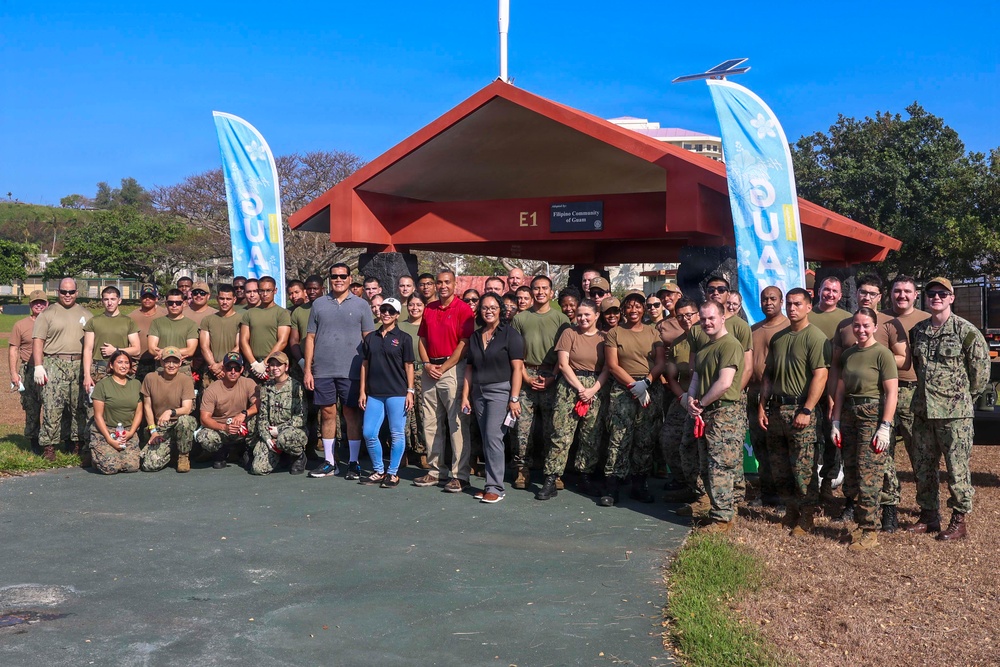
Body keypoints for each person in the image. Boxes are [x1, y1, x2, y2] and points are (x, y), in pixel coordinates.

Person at [906, 277, 990, 541]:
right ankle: (929, 515)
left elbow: (980, 373)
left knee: (957, 468)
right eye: (932, 293)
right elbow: (918, 368)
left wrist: (962, 399)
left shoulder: (966, 331)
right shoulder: (918, 331)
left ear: (952, 298)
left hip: (955, 415)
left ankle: (959, 520)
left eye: (942, 294)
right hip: (923, 411)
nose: (936, 297)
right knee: (923, 466)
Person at [827, 274, 903, 521]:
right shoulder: (847, 344)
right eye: (863, 292)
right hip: (850, 411)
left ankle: (886, 510)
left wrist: (885, 425)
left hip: (874, 411)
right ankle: (852, 504)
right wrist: (835, 419)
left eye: (866, 326)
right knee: (851, 462)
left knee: (877, 464)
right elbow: (839, 380)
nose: (861, 330)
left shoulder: (887, 337)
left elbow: (892, 389)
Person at [758, 288, 829, 536]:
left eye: (797, 304)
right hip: (777, 410)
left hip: (801, 410)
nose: (792, 308)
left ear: (809, 307)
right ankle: (791, 510)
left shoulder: (815, 337)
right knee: (780, 467)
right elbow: (768, 375)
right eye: (789, 304)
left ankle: (807, 516)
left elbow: (821, 376)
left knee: (803, 467)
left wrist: (807, 409)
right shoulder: (778, 338)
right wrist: (762, 405)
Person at [304, 263, 375, 478]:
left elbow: (369, 340)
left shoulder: (362, 305)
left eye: (343, 276)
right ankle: (329, 461)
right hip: (323, 370)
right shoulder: (318, 304)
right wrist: (308, 369)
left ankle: (353, 462)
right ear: (329, 279)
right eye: (334, 276)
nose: (338, 279)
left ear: (350, 278)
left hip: (352, 370)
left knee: (351, 413)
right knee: (327, 413)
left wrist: (369, 371)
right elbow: (310, 338)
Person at [537, 298, 608, 500]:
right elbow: (563, 364)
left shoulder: (604, 338)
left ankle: (585, 475)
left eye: (587, 315)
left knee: (590, 435)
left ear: (596, 315)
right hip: (570, 386)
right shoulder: (569, 333)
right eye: (580, 315)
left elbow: (607, 368)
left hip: (595, 387)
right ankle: (551, 477)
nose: (583, 318)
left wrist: (592, 390)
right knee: (560, 433)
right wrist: (580, 388)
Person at [685, 300, 746, 532]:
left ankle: (722, 519)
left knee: (720, 466)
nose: (707, 323)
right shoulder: (704, 348)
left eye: (711, 318)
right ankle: (717, 511)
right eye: (703, 319)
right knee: (707, 466)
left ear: (722, 318)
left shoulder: (730, 345)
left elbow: (724, 383)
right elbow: (696, 379)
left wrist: (701, 403)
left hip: (724, 414)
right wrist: (691, 400)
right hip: (706, 413)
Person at [600, 292, 665, 506]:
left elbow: (660, 363)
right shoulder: (615, 333)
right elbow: (613, 365)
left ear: (644, 309)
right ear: (623, 310)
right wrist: (634, 386)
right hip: (623, 388)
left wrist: (645, 383)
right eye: (629, 306)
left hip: (649, 387)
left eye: (638, 306)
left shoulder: (653, 332)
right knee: (619, 436)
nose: (634, 310)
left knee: (645, 438)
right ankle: (612, 485)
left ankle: (639, 484)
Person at [414, 270, 476, 492]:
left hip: (452, 369)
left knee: (456, 423)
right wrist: (427, 364)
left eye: (447, 282)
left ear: (455, 284)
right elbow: (422, 340)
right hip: (430, 369)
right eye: (439, 282)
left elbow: (464, 343)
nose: (442, 286)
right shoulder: (429, 308)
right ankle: (435, 471)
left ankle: (460, 475)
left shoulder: (463, 309)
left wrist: (445, 367)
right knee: (430, 422)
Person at [461, 292, 525, 503]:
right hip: (478, 393)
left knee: (493, 437)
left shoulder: (511, 335)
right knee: (487, 438)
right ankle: (490, 484)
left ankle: (496, 488)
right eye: (484, 308)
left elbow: (517, 369)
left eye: (493, 307)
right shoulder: (475, 337)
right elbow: (469, 369)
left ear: (501, 310)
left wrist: (514, 398)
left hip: (500, 392)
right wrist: (465, 396)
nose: (488, 311)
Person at [878, 275, 930, 531]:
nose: (902, 295)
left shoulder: (926, 319)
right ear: (890, 293)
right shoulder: (878, 319)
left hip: (912, 394)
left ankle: (928, 509)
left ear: (915, 294)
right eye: (897, 291)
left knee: (920, 453)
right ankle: (889, 508)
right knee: (883, 453)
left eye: (907, 291)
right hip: (882, 392)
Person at [510, 275, 571, 490]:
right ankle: (522, 469)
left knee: (552, 427)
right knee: (522, 427)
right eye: (536, 288)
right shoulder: (520, 318)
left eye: (545, 288)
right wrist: (526, 377)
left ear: (551, 292)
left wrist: (552, 376)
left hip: (553, 375)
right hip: (525, 373)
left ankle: (552, 471)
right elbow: (515, 354)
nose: (540, 292)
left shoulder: (561, 319)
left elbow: (565, 353)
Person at [32, 277, 92, 463]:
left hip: (78, 364)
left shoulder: (86, 314)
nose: (67, 295)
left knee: (77, 406)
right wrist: (38, 366)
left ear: (77, 292)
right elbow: (38, 341)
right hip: (54, 363)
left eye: (71, 292)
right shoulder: (47, 314)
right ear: (58, 292)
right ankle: (49, 445)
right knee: (53, 406)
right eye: (64, 292)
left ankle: (75, 442)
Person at [358, 298, 414, 487]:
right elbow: (364, 365)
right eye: (384, 310)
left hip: (397, 392)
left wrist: (410, 391)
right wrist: (362, 391)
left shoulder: (404, 338)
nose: (386, 314)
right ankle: (379, 470)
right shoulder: (370, 338)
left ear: (397, 315)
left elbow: (409, 366)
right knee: (369, 433)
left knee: (396, 433)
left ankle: (393, 473)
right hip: (374, 393)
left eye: (391, 311)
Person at [807, 276, 852, 507]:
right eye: (826, 289)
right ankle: (809, 486)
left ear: (840, 295)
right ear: (819, 291)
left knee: (831, 437)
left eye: (835, 291)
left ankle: (827, 484)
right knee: (810, 438)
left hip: (834, 387)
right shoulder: (807, 315)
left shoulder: (847, 320)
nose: (830, 294)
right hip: (808, 387)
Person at [748, 286, 789, 506]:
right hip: (754, 395)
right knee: (760, 447)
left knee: (779, 449)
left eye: (773, 298)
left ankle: (785, 496)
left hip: (777, 398)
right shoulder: (753, 329)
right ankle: (767, 493)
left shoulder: (789, 328)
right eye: (764, 299)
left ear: (781, 301)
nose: (768, 302)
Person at [659, 299, 702, 505]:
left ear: (698, 314)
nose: (685, 319)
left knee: (698, 446)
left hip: (704, 400)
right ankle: (683, 481)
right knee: (668, 439)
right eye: (680, 316)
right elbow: (671, 377)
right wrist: (682, 397)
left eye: (689, 315)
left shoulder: (709, 337)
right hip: (683, 398)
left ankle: (701, 489)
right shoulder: (677, 343)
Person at [196, 352, 259, 469]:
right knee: (205, 436)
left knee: (259, 419)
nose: (233, 372)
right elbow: (204, 419)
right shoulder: (212, 390)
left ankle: (245, 449)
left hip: (242, 427)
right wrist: (224, 427)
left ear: (242, 369)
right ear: (223, 369)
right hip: (221, 429)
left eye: (237, 368)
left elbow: (258, 404)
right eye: (229, 368)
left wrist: (244, 414)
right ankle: (220, 451)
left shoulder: (249, 383)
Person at [139, 347, 197, 473]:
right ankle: (171, 450)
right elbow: (147, 407)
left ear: (180, 363)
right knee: (149, 466)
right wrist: (153, 431)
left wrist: (170, 412)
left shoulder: (186, 380)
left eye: (175, 361)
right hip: (161, 427)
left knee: (186, 421)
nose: (171, 365)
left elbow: (187, 409)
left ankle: (183, 456)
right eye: (167, 361)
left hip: (179, 424)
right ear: (161, 362)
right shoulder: (150, 378)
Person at [251, 352, 308, 476]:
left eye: (279, 364)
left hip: (291, 432)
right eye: (272, 365)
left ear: (286, 367)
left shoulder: (296, 387)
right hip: (271, 434)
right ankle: (282, 457)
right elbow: (262, 417)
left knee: (283, 438)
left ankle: (298, 456)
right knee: (258, 469)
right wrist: (267, 438)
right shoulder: (266, 387)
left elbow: (301, 417)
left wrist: (280, 429)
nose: (275, 368)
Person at [90, 349, 142, 475]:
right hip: (106, 431)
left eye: (126, 363)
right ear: (112, 365)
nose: (123, 366)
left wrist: (131, 433)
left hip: (127, 431)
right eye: (119, 362)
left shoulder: (136, 384)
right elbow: (98, 416)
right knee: (111, 467)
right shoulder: (102, 385)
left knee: (131, 466)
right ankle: (96, 453)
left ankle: (119, 456)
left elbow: (139, 412)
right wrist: (109, 439)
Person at [83, 286, 141, 399]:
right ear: (102, 301)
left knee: (120, 401)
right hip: (99, 369)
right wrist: (87, 375)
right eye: (106, 299)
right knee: (97, 403)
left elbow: (136, 349)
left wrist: (115, 351)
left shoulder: (128, 322)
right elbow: (88, 350)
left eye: (113, 299)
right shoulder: (93, 322)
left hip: (121, 369)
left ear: (119, 300)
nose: (109, 303)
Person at [9, 290, 48, 452]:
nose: (38, 305)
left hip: (50, 368)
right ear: (30, 305)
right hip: (29, 369)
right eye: (35, 302)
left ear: (47, 304)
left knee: (53, 406)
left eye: (42, 302)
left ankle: (52, 440)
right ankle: (34, 440)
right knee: (31, 407)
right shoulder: (20, 325)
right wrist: (13, 373)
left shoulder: (52, 322)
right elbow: (13, 349)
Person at [239, 276, 291, 384]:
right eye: (262, 291)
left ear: (275, 291)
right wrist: (254, 364)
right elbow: (243, 340)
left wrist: (265, 363)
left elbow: (282, 341)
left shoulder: (282, 313)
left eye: (268, 290)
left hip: (273, 364)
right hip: (252, 365)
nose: (265, 294)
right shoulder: (249, 313)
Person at [399, 294, 428, 468]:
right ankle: (402, 451)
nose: (415, 308)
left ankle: (423, 452)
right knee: (404, 415)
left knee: (423, 415)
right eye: (411, 304)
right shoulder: (400, 326)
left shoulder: (428, 325)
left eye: (418, 304)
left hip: (424, 374)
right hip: (403, 374)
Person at [148, 289, 199, 375]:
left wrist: (165, 351)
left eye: (178, 303)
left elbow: (190, 350)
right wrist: (176, 352)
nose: (174, 305)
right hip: (161, 368)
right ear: (166, 304)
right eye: (170, 303)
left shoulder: (191, 324)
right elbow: (152, 348)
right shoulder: (156, 323)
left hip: (183, 369)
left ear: (183, 303)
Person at [199, 284, 242, 387]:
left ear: (234, 300)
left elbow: (239, 346)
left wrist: (222, 365)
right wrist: (214, 366)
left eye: (228, 299)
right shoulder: (207, 320)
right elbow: (204, 346)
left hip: (233, 369)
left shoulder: (241, 320)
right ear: (217, 299)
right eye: (222, 298)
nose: (225, 302)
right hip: (211, 370)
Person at [128, 283, 167, 381]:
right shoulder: (131, 317)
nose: (148, 299)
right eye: (145, 296)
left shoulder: (165, 315)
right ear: (140, 298)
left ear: (156, 298)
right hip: (137, 362)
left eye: (151, 297)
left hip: (159, 361)